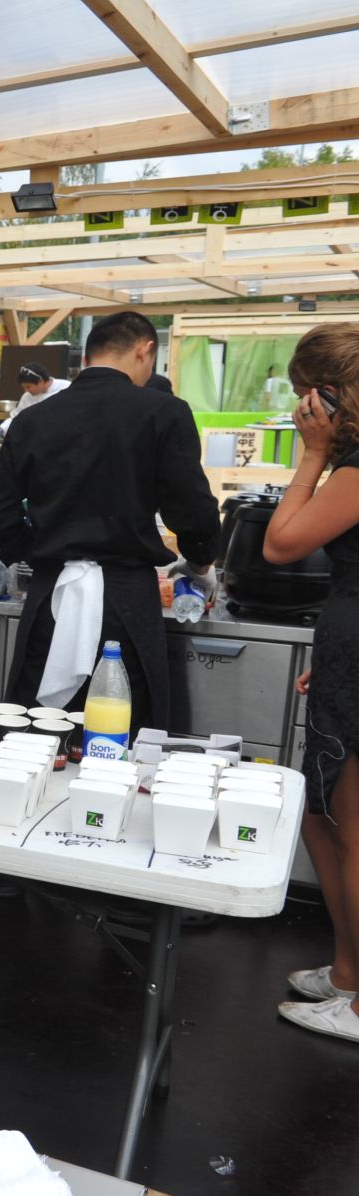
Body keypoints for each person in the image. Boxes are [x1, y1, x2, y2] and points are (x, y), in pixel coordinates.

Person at [0, 311, 220, 729]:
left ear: (88, 357)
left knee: (36, 731)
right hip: (127, 602)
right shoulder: (163, 412)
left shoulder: (33, 419)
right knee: (120, 736)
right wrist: (199, 563)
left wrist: (41, 560)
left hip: (50, 597)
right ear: (145, 351)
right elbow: (194, 512)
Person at [259, 324, 359, 1043]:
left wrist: (312, 455)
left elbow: (281, 541)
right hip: (347, 645)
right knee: (322, 818)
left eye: (305, 395)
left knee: (352, 829)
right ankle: (350, 971)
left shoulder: (352, 465)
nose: (300, 410)